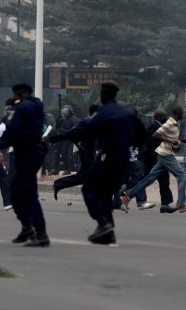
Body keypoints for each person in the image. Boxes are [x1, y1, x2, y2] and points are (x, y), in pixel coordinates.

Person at [47, 82, 147, 244]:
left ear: (104, 95)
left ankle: (103, 223)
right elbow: (143, 135)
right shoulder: (126, 113)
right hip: (125, 158)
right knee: (106, 193)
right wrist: (135, 146)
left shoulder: (103, 114)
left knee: (89, 189)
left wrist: (54, 137)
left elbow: (80, 131)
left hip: (108, 157)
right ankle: (107, 231)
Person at [0, 84, 50, 247]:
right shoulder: (36, 105)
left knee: (23, 194)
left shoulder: (22, 108)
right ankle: (27, 229)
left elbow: (11, 132)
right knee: (19, 192)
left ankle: (39, 233)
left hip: (27, 154)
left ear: (19, 94)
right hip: (34, 153)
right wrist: (17, 104)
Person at [121, 106, 186, 213]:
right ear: (177, 113)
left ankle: (126, 196)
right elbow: (156, 135)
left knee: (149, 179)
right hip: (165, 155)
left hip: (162, 155)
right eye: (182, 113)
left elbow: (172, 140)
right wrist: (170, 141)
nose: (183, 115)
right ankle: (181, 205)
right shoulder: (169, 123)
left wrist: (180, 142)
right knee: (183, 176)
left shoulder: (176, 123)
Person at [51, 105, 100, 196]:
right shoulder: (86, 122)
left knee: (82, 177)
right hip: (86, 154)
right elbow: (71, 134)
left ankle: (59, 184)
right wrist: (54, 139)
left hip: (91, 152)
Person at [139, 109, 176, 213]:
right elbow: (150, 143)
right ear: (159, 117)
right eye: (164, 117)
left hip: (159, 158)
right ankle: (125, 194)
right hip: (152, 159)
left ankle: (165, 204)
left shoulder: (160, 127)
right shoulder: (153, 127)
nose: (166, 119)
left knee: (164, 180)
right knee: (144, 180)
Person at [54, 105, 79, 175]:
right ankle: (55, 169)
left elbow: (74, 129)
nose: (64, 114)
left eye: (66, 112)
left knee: (64, 152)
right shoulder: (60, 119)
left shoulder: (74, 119)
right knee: (56, 152)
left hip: (68, 138)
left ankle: (67, 169)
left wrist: (64, 131)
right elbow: (56, 127)